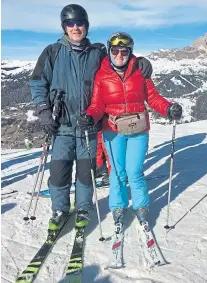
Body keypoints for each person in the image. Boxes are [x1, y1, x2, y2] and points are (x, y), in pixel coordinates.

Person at [31, 5, 153, 231]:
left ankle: (84, 207)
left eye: (79, 23)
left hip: (88, 125)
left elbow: (120, 59)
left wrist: (140, 61)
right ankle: (60, 209)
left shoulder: (97, 53)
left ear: (86, 26)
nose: (75, 27)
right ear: (64, 27)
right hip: (61, 124)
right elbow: (38, 82)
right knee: (59, 172)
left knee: (86, 172)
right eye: (70, 23)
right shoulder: (52, 52)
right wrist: (43, 110)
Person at [79, 32, 182, 226]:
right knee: (117, 172)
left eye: (124, 51)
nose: (119, 55)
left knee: (134, 171)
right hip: (112, 130)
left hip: (138, 130)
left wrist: (168, 108)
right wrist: (89, 116)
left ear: (130, 52)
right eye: (115, 51)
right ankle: (118, 206)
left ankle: (141, 206)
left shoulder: (140, 72)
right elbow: (97, 105)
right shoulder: (101, 76)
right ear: (109, 52)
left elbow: (153, 98)